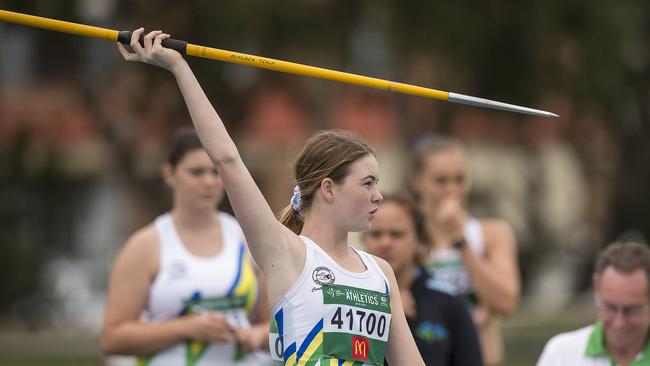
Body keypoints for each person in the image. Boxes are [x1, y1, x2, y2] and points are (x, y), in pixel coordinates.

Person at [116, 28, 425, 366]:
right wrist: (178, 67)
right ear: (328, 188)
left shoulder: (380, 272)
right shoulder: (286, 252)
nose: (378, 196)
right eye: (367, 183)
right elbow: (226, 158)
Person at [101, 128, 272, 365]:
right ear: (169, 174)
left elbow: (275, 323)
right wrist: (186, 328)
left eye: (216, 172)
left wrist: (257, 335)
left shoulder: (246, 238)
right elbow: (112, 339)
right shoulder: (146, 245)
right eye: (196, 172)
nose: (209, 182)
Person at [410, 134, 520, 366]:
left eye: (459, 180)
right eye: (441, 181)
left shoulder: (491, 233)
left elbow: (506, 302)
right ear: (418, 182)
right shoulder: (407, 237)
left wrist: (461, 241)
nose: (452, 190)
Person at [362, 194, 484, 365]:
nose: (385, 242)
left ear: (418, 239)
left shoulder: (448, 299)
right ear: (363, 238)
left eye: (397, 234)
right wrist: (384, 313)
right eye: (376, 234)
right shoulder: (351, 297)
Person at [537, 240, 650, 366]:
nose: (619, 323)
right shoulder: (561, 354)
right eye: (610, 308)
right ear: (596, 287)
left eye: (632, 311)